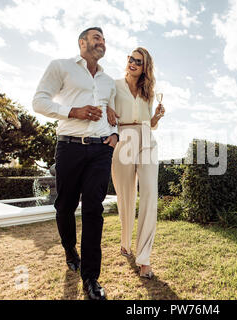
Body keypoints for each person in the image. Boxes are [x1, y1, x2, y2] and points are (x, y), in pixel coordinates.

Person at [32, 27, 119, 300]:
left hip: (101, 151)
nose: (102, 42)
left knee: (94, 210)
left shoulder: (108, 81)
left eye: (104, 39)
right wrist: (74, 111)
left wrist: (115, 135)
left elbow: (111, 112)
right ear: (82, 42)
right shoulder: (61, 66)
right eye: (96, 38)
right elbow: (39, 101)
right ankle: (70, 249)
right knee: (65, 206)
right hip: (69, 146)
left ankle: (91, 278)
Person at [109, 47, 165, 279]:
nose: (132, 63)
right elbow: (108, 115)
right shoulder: (113, 85)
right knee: (125, 196)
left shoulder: (148, 92)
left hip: (146, 139)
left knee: (150, 195)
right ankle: (125, 242)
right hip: (123, 139)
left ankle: (144, 259)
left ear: (145, 67)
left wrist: (156, 118)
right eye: (131, 59)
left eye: (138, 61)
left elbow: (149, 123)